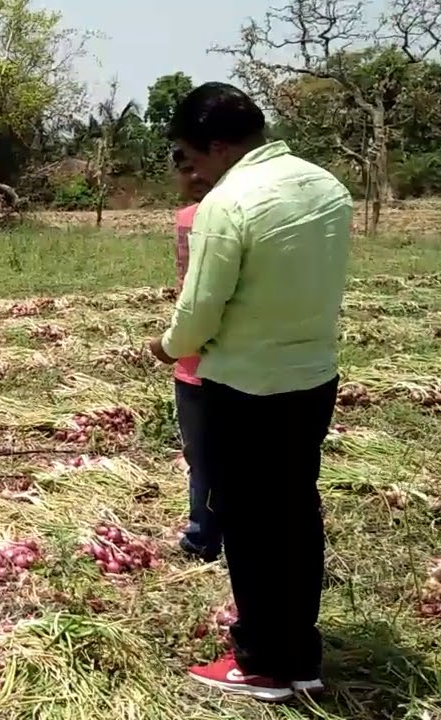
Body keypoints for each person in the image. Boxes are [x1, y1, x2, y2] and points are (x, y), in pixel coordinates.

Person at [148, 82, 352, 702]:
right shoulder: (326, 186)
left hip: (245, 387)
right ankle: (300, 655)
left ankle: (264, 664)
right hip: (312, 377)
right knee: (294, 512)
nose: (192, 171)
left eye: (192, 156)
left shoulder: (229, 202)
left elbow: (201, 310)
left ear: (215, 146)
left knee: (250, 523)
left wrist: (165, 344)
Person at [168, 148, 219, 563]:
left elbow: (198, 297)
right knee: (203, 454)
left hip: (204, 356)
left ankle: (204, 535)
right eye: (187, 171)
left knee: (205, 453)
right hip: (200, 355)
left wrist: (169, 344)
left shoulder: (210, 217)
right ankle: (204, 531)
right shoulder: (186, 219)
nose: (195, 177)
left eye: (197, 168)